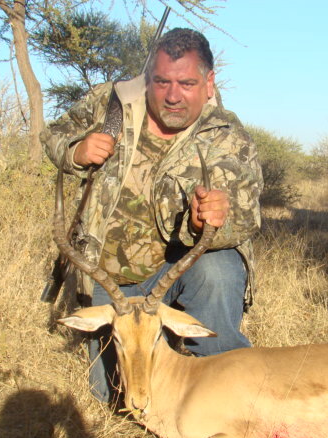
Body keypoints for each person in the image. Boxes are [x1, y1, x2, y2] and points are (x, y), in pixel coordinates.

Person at [41, 28, 263, 403]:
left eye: (187, 83)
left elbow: (245, 218)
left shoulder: (227, 137)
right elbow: (54, 136)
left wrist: (209, 221)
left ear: (209, 83)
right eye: (162, 82)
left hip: (177, 275)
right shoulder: (110, 104)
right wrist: (75, 151)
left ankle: (229, 382)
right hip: (111, 282)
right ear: (147, 78)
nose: (173, 95)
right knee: (108, 397)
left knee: (219, 269)